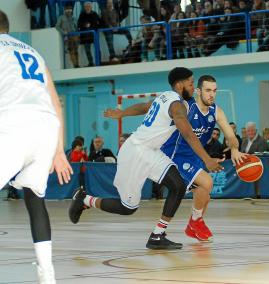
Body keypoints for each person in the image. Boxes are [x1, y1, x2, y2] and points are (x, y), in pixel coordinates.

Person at [69, 67, 223, 250]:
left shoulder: (166, 96)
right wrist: (207, 159)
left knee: (178, 185)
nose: (193, 86)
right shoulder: (177, 105)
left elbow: (143, 106)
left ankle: (157, 235)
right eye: (191, 83)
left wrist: (122, 113)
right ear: (180, 84)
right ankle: (85, 200)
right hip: (135, 152)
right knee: (128, 208)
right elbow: (188, 134)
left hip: (149, 151)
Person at [104, 75, 245, 242]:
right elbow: (147, 106)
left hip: (193, 156)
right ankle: (192, 223)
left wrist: (235, 148)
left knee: (204, 194)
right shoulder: (184, 105)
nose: (211, 95)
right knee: (206, 183)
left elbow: (230, 135)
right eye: (208, 90)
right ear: (198, 91)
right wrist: (123, 114)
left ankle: (191, 224)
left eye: (214, 91)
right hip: (174, 153)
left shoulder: (217, 111)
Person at [0, 10, 73, 283]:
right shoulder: (33, 53)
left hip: (14, 125)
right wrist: (59, 150)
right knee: (34, 198)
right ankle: (47, 274)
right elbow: (56, 101)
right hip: (45, 129)